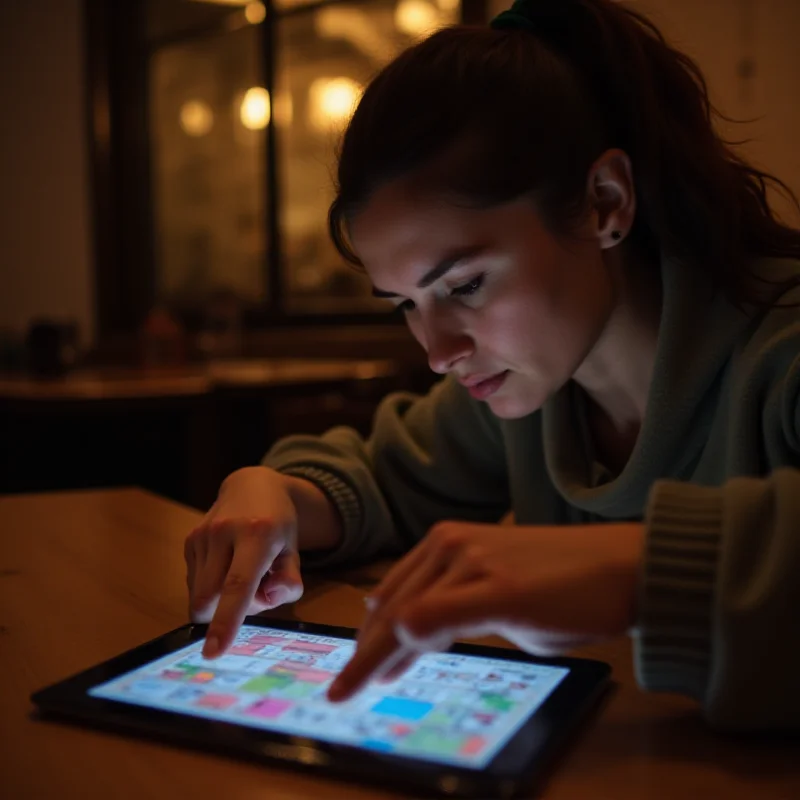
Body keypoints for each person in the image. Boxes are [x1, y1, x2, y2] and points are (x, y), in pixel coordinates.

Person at [184, 0, 800, 731]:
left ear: (606, 202)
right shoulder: (534, 393)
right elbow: (384, 476)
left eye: (466, 284)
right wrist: (274, 493)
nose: (438, 351)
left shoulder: (780, 354)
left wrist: (629, 574)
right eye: (404, 304)